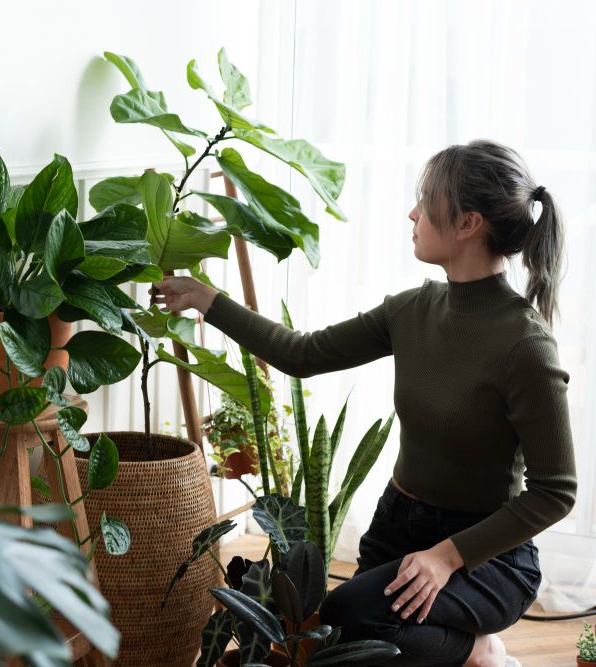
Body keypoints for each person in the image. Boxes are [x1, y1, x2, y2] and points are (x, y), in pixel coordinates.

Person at [150, 139, 576, 667]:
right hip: (396, 527)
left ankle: (481, 650)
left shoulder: (525, 346)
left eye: (426, 202)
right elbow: (302, 354)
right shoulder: (412, 310)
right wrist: (207, 300)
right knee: (339, 640)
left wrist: (447, 557)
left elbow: (556, 492)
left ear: (469, 223)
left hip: (484, 556)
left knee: (353, 621)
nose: (413, 214)